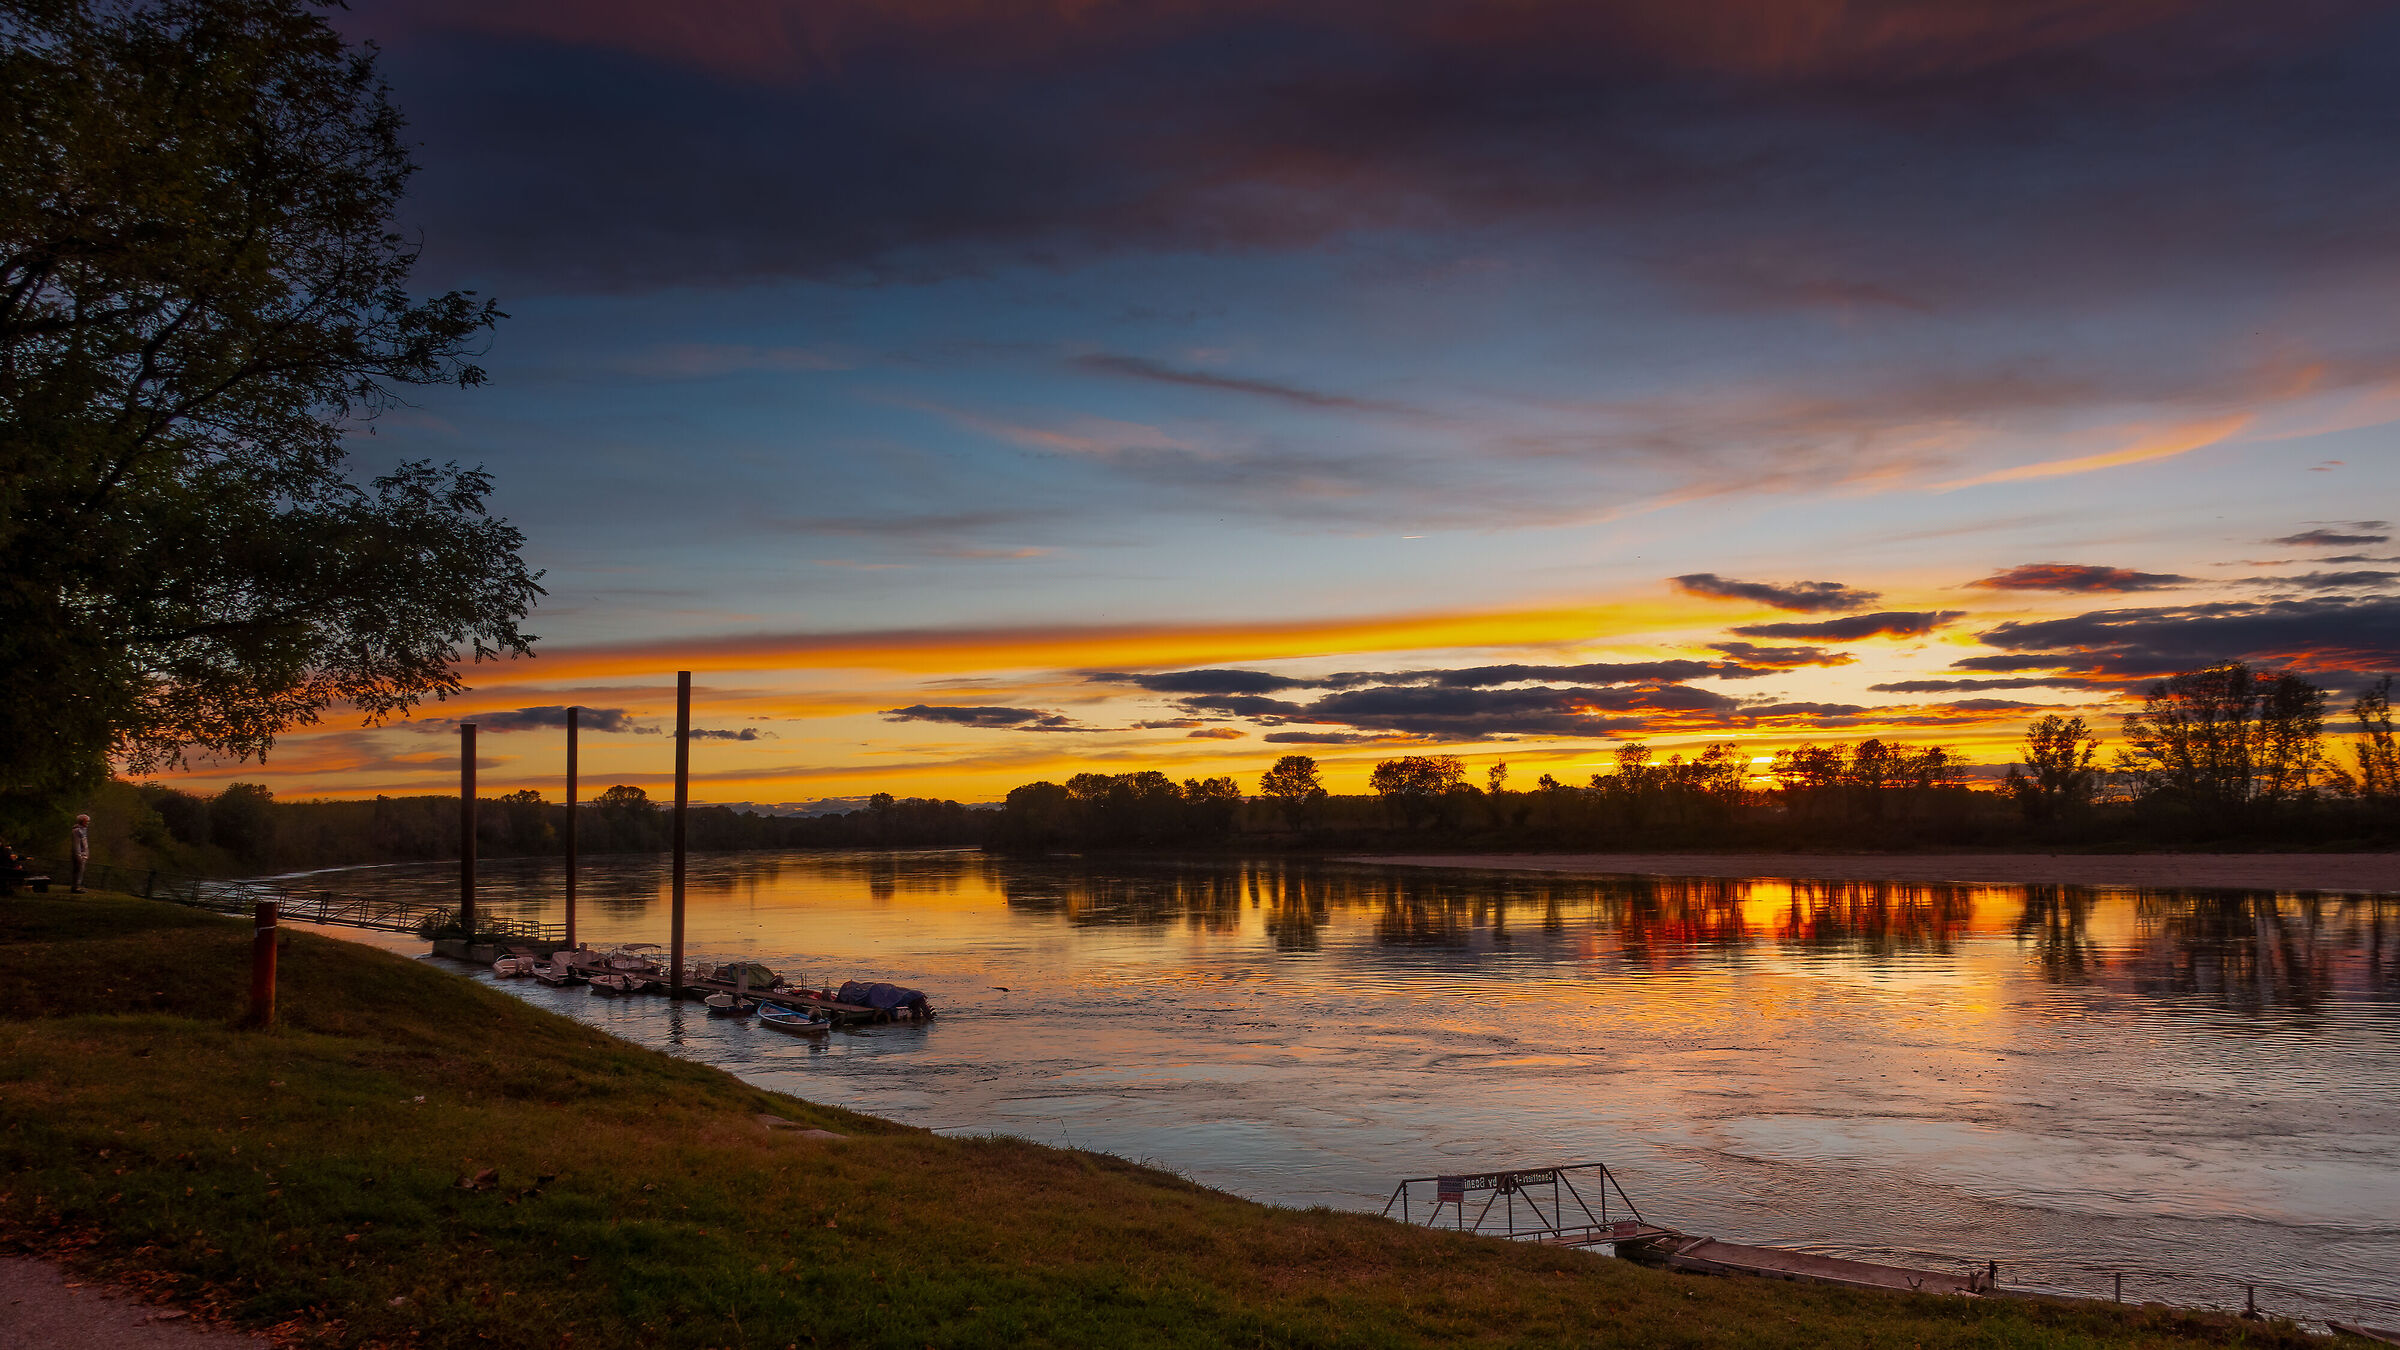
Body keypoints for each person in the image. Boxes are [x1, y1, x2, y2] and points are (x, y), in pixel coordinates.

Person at [70, 813, 89, 892]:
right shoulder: (77, 830)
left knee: (80, 871)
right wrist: (79, 855)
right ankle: (75, 887)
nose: (87, 823)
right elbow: (76, 844)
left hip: (83, 854)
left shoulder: (83, 830)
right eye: (86, 821)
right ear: (81, 821)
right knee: (78, 871)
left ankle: (78, 886)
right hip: (79, 855)